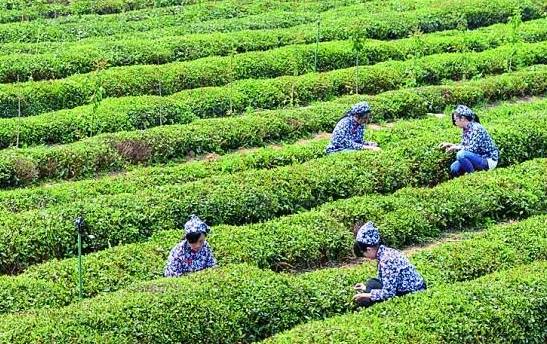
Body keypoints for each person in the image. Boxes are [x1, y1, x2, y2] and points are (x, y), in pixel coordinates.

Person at [352, 222, 426, 307]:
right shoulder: (385, 251)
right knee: (372, 283)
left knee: (365, 300)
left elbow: (389, 293)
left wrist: (366, 295)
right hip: (408, 286)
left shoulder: (387, 260)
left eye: (364, 254)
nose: (366, 258)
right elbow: (384, 281)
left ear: (369, 249)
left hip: (413, 291)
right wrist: (366, 288)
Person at [439, 105, 499, 177]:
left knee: (461, 155)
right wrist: (452, 145)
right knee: (454, 168)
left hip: (487, 160)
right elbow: (465, 146)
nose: (455, 123)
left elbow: (472, 148)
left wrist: (455, 148)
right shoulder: (466, 129)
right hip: (477, 157)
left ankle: (473, 177)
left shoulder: (477, 128)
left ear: (463, 118)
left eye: (455, 120)